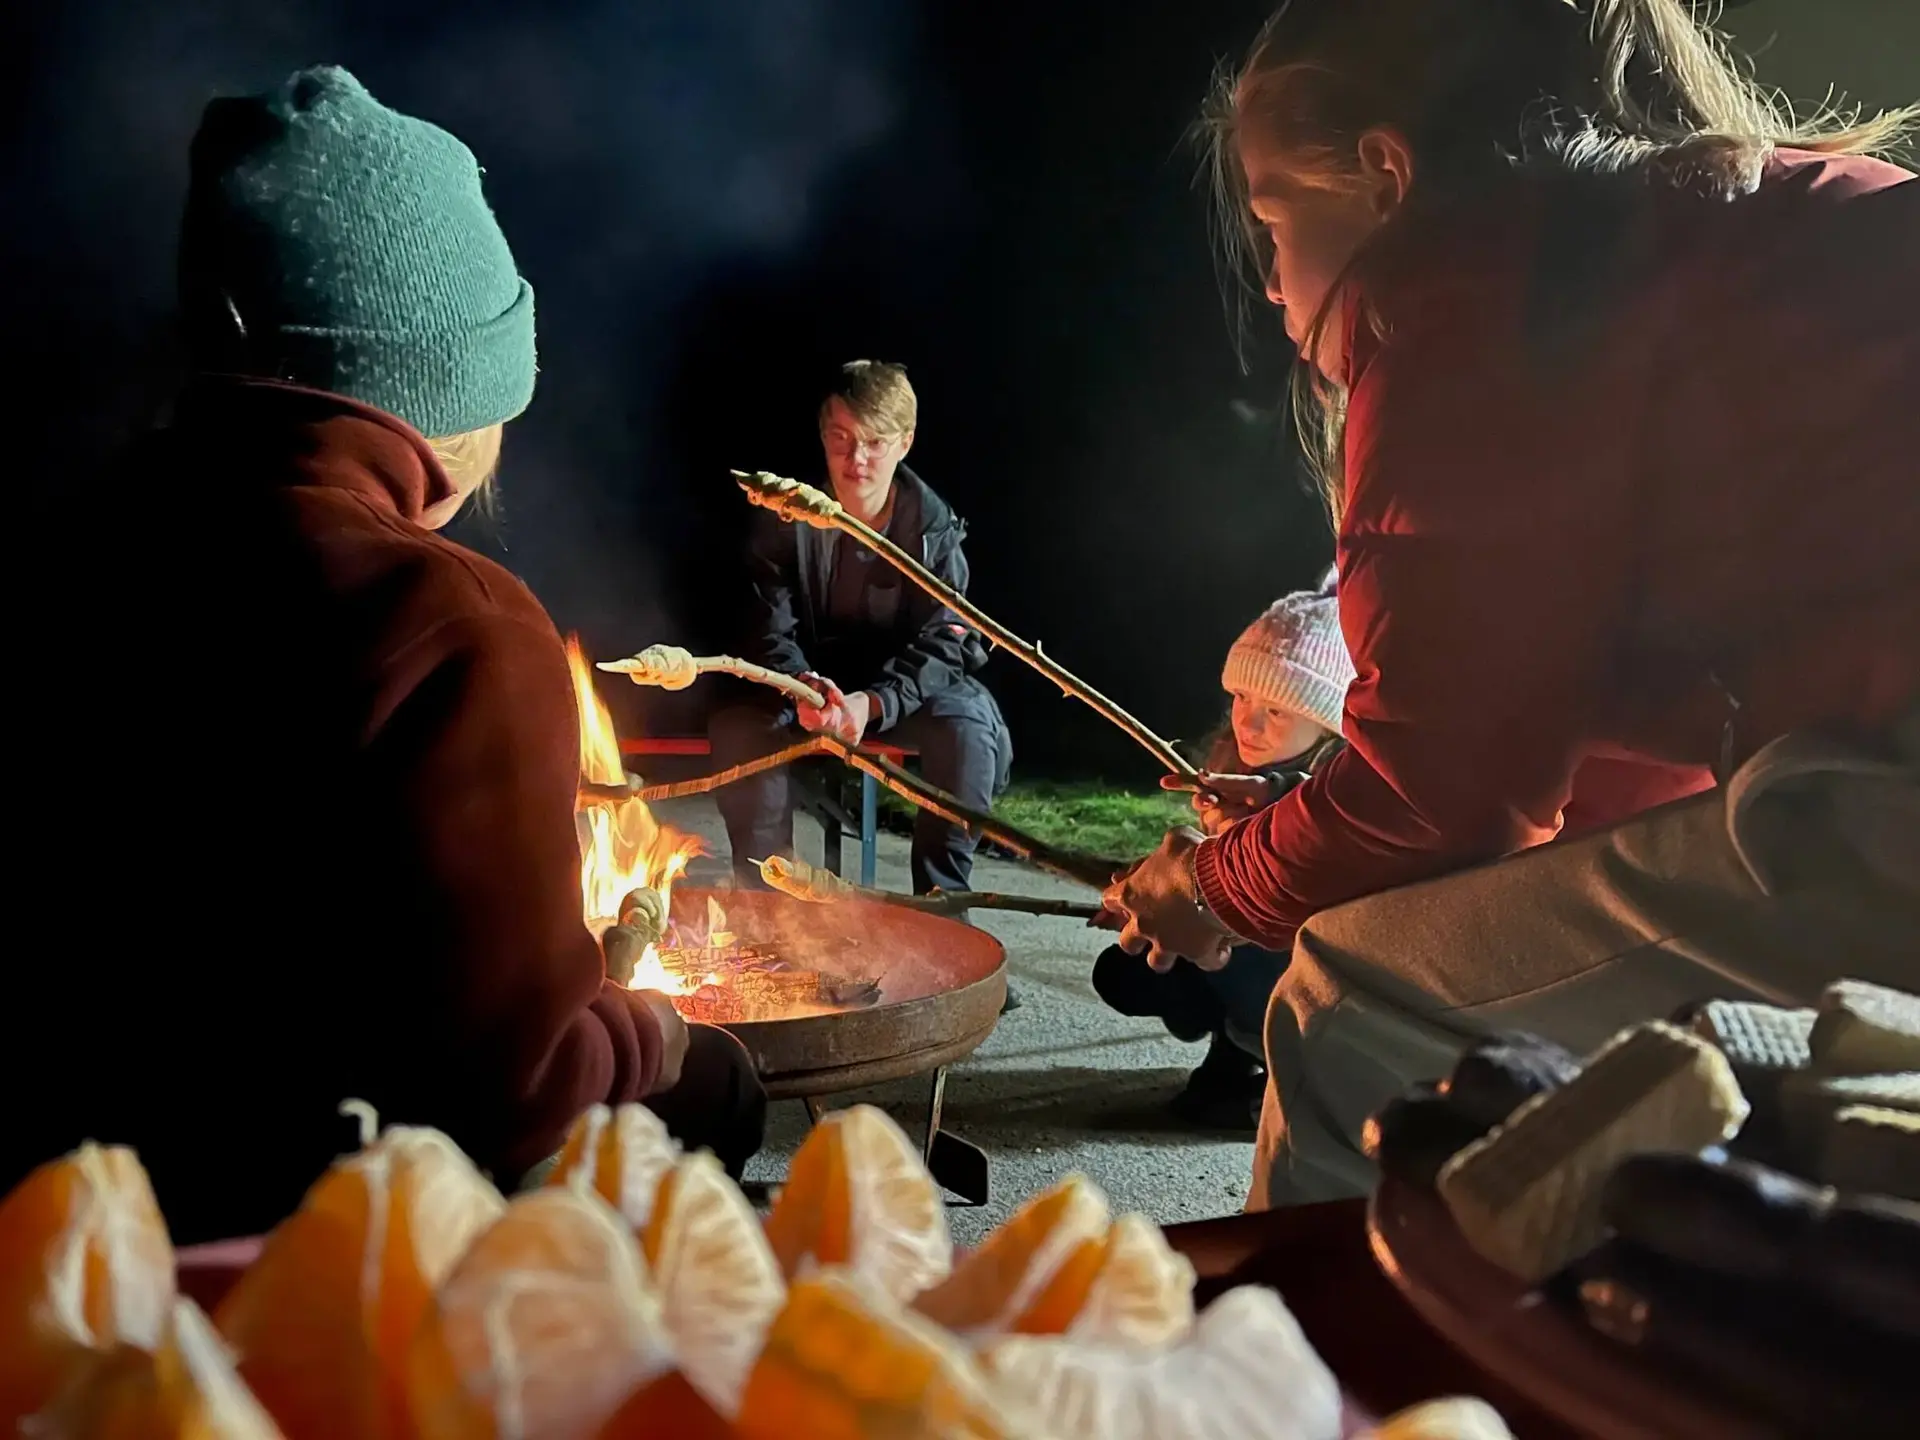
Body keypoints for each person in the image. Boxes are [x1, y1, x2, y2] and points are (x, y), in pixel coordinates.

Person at [1105, 0, 1920, 1206]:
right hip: (1868, 762)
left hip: (1886, 789)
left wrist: (1217, 888)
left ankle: (1339, 1394)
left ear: (1386, 175)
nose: (1274, 284)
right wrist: (1307, 819)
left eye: (1274, 218)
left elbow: (1437, 803)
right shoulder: (1688, 236)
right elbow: (1587, 800)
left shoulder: (1475, 294)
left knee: (1346, 1000)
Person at [11, 67, 764, 1242]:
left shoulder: (68, 543)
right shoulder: (452, 624)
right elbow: (511, 1099)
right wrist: (655, 1035)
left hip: (57, 1216)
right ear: (436, 386)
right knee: (720, 1096)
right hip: (294, 1249)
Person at [708, 361, 1013, 899]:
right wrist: (802, 686)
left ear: (905, 443)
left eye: (874, 441)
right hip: (808, 692)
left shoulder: (932, 531)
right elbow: (765, 625)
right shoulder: (785, 516)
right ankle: (764, 908)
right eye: (841, 438)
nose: (857, 459)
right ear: (824, 438)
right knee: (738, 727)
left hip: (897, 697)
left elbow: (948, 643)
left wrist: (870, 703)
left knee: (971, 725)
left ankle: (943, 908)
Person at [1093, 584, 1351, 1130]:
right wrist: (1144, 895)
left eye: (1276, 709)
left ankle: (1278, 1068)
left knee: (1238, 948)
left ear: (1328, 718)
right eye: (1241, 698)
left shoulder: (1343, 794)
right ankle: (1231, 1055)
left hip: (1305, 977)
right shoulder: (1232, 767)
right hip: (1233, 952)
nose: (1249, 723)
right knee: (1125, 970)